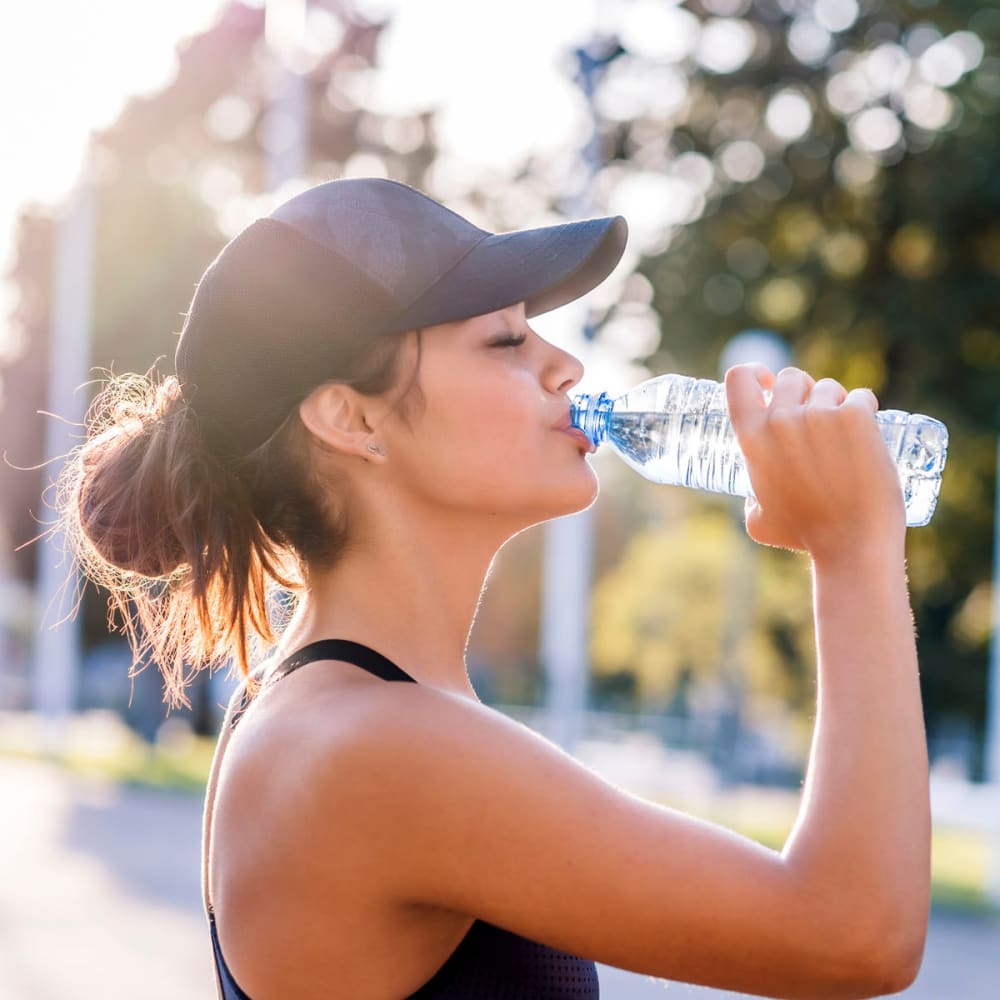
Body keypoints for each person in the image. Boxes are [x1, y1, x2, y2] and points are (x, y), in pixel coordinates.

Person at [56, 177, 930, 998]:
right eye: (507, 340)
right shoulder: (371, 748)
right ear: (350, 417)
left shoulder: (339, 713)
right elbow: (852, 932)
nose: (566, 368)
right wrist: (852, 550)